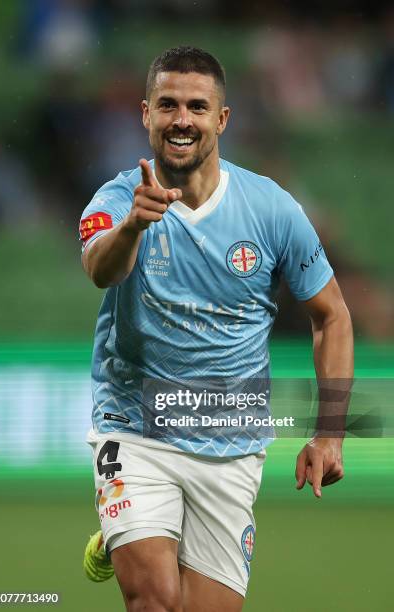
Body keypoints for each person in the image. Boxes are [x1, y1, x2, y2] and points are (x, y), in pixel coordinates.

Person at [79, 46, 353, 612]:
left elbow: (333, 315)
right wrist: (134, 223)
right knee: (155, 600)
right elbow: (99, 269)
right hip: (135, 428)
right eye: (168, 105)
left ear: (222, 119)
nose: (182, 119)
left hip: (231, 443)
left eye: (197, 107)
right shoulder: (117, 199)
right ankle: (132, 520)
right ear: (146, 114)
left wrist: (329, 434)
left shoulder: (271, 209)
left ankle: (122, 528)